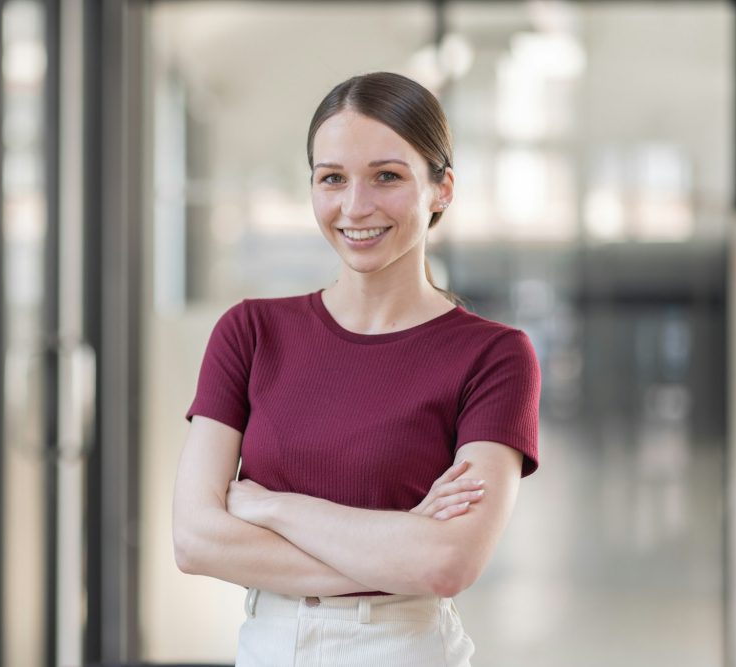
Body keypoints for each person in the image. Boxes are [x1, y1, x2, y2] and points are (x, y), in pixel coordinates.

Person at [172, 71, 541, 666]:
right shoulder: (249, 332)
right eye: (333, 179)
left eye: (387, 177)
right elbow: (195, 540)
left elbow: (447, 562)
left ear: (441, 188)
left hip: (405, 648)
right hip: (269, 647)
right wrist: (395, 542)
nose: (355, 207)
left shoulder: (494, 356)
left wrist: (272, 508)